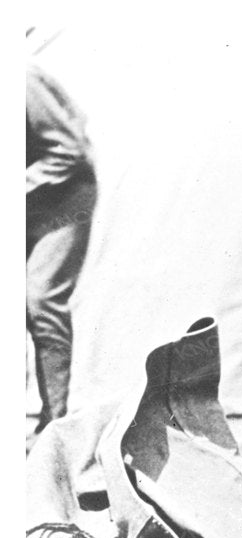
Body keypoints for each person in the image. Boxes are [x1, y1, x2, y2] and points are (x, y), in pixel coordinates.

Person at [27, 61, 97, 435]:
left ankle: (54, 429)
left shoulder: (21, 78)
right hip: (23, 202)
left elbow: (68, 150)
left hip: (64, 200)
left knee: (39, 298)